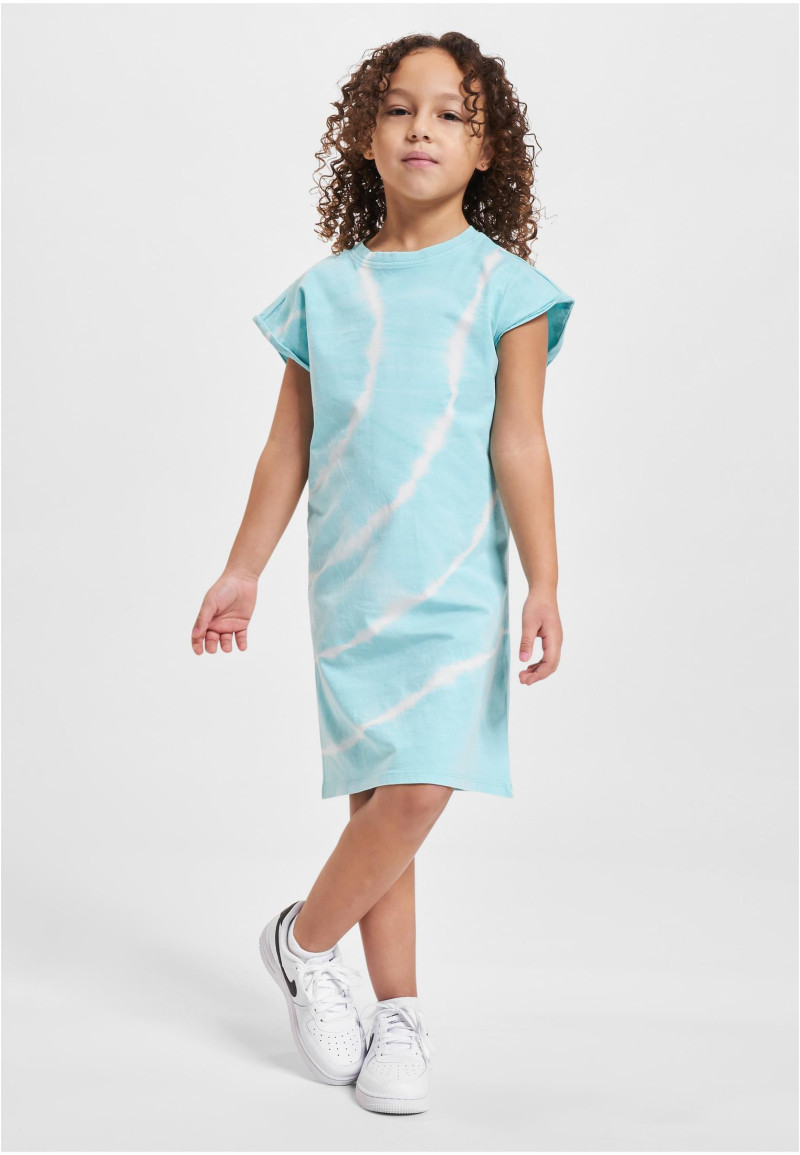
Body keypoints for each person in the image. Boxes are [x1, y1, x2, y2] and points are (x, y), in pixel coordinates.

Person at [191, 31, 575, 1115]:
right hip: (353, 583)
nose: (421, 129)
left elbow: (519, 442)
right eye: (400, 108)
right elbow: (289, 445)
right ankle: (396, 1012)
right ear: (364, 136)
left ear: (487, 150)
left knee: (417, 790)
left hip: (457, 585)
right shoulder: (326, 292)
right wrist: (243, 568)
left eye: (451, 114)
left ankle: (301, 940)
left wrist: (544, 582)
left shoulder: (506, 289)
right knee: (381, 801)